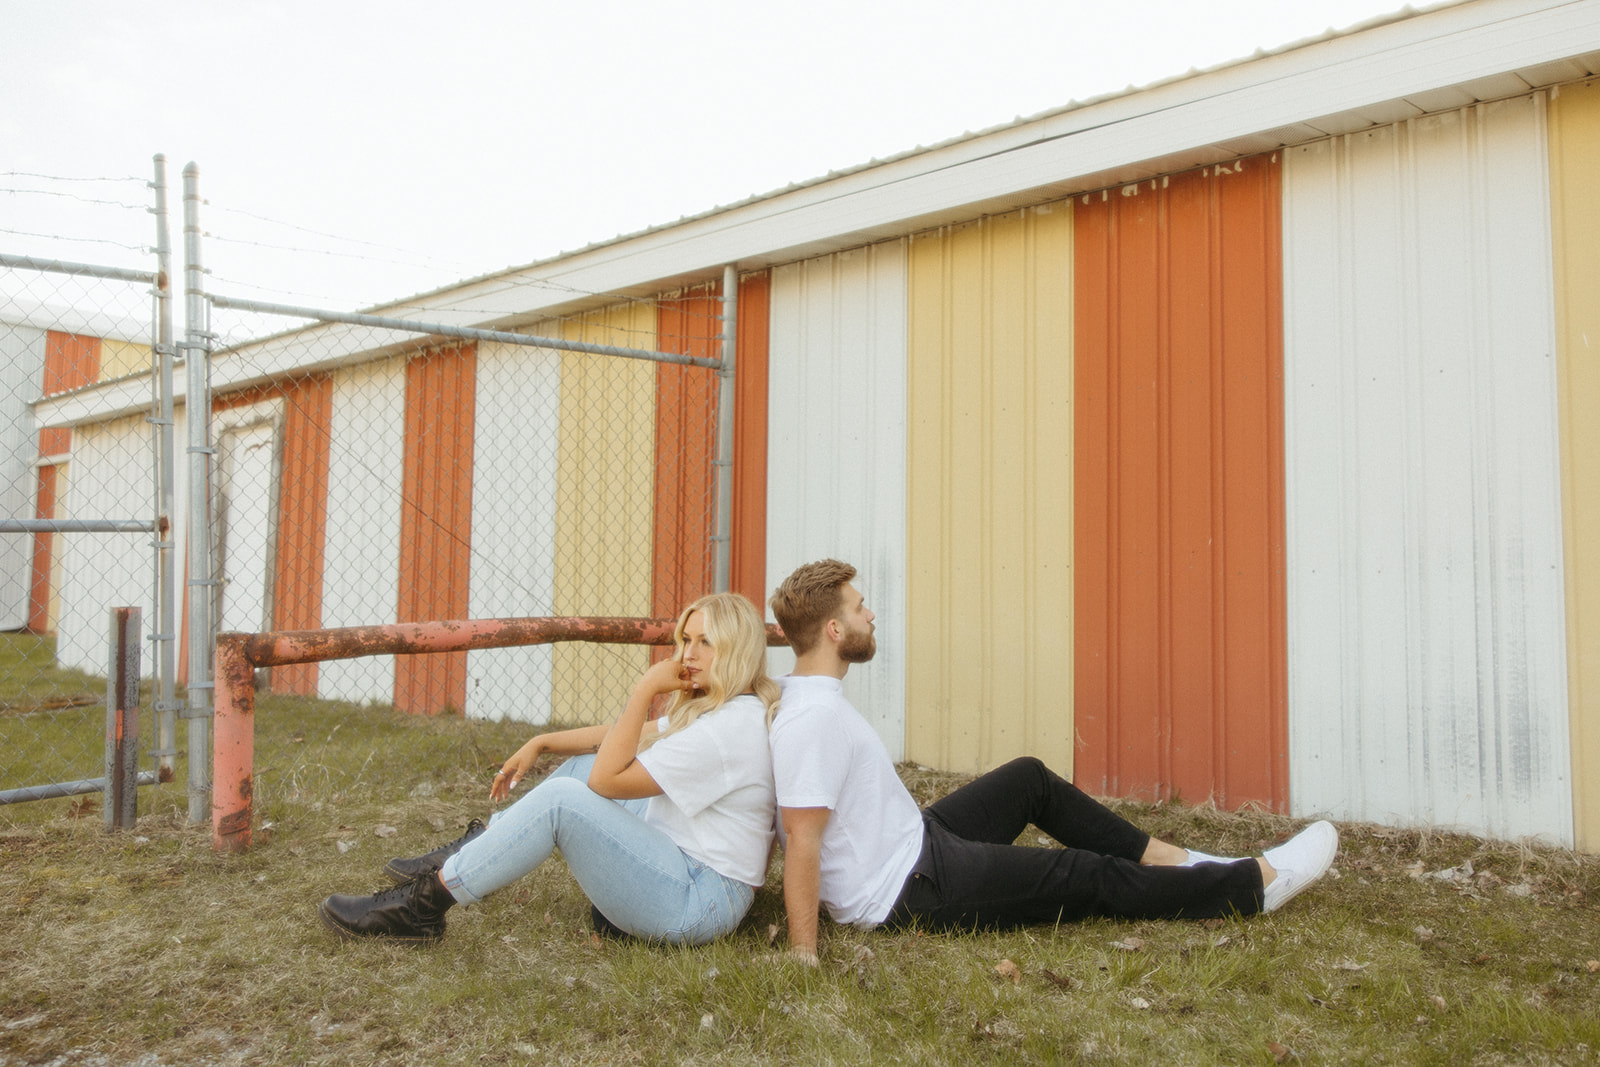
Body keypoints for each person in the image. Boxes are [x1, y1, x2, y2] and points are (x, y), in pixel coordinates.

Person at [766, 559, 1338, 964]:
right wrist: (803, 954)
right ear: (835, 629)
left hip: (917, 839)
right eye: (860, 607)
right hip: (908, 890)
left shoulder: (814, 698)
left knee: (1028, 780)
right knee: (1081, 876)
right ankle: (1251, 886)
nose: (872, 614)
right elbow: (802, 837)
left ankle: (1175, 860)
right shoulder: (813, 720)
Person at [318, 591, 780, 946]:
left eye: (705, 643)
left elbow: (607, 779)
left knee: (567, 799)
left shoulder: (724, 732)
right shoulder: (717, 710)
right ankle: (479, 849)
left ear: (736, 650)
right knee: (579, 769)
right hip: (682, 863)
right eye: (685, 640)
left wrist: (644, 690)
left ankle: (421, 907)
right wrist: (541, 742)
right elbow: (615, 743)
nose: (686, 655)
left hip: (697, 900)